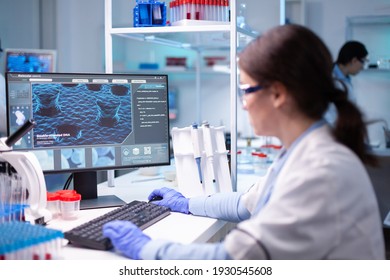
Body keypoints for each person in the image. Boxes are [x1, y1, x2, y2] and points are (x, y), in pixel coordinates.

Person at [102, 24, 385, 260]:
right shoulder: (304, 150)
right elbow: (245, 203)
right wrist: (187, 203)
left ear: (277, 94)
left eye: (245, 90)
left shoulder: (319, 171)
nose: (244, 104)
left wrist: (145, 248)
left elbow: (230, 261)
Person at [325, 40, 368, 124]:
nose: (363, 67)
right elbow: (328, 114)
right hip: (332, 131)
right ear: (354, 60)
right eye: (363, 61)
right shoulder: (328, 78)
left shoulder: (345, 79)